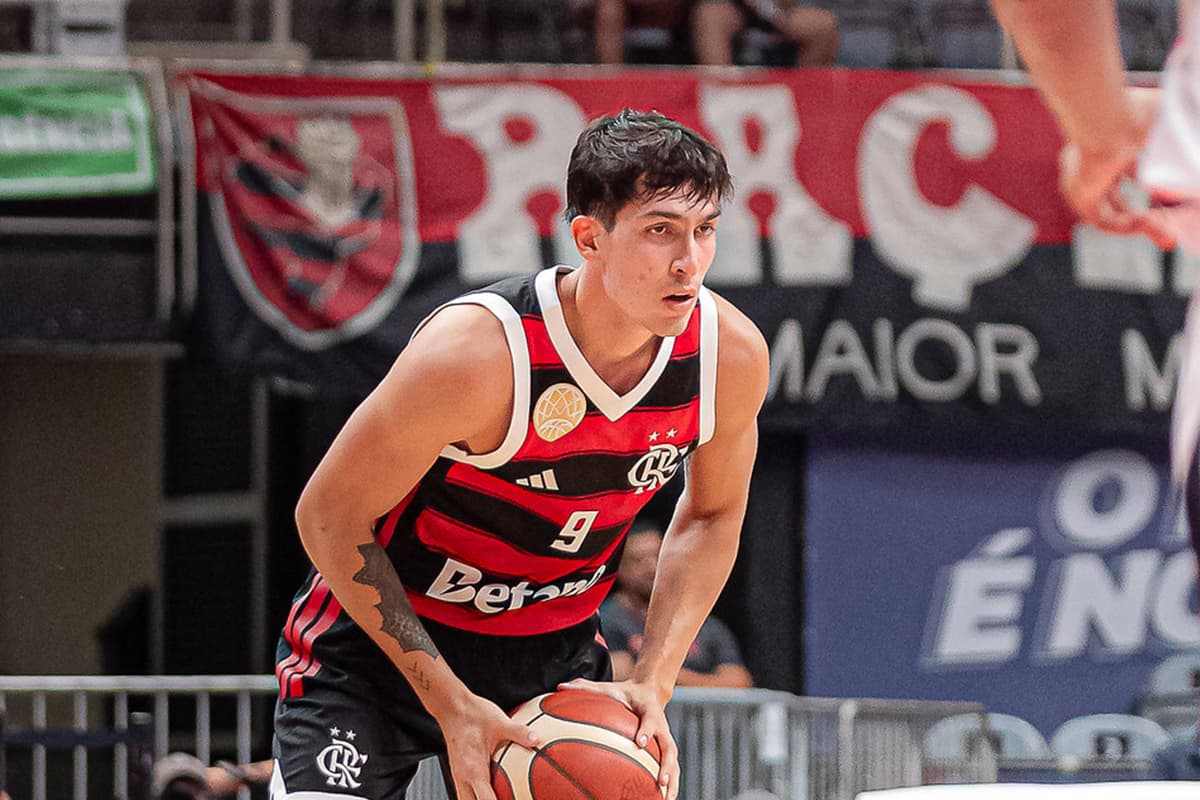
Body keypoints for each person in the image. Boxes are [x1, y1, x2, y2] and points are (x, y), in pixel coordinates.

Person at [271, 109, 769, 800]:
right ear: (589, 238)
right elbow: (327, 515)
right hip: (380, 649)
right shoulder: (476, 356)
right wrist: (447, 699)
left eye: (704, 230)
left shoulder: (728, 357)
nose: (690, 260)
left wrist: (653, 678)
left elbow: (712, 515)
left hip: (549, 657)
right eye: (661, 230)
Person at [601, 521, 754, 688]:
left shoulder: (700, 620)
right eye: (638, 560)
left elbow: (738, 681)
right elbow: (617, 671)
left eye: (658, 557)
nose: (652, 568)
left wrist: (666, 677)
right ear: (620, 568)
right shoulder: (605, 620)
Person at [692, 0, 838, 67]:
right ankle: (720, 93)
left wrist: (768, 11)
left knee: (824, 25)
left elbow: (785, 8)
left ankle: (807, 98)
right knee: (710, 16)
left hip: (778, 13)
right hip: (732, 8)